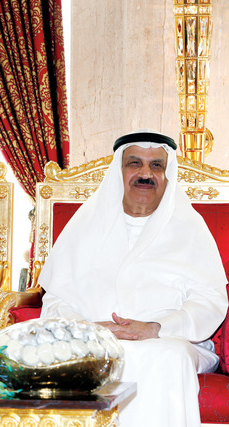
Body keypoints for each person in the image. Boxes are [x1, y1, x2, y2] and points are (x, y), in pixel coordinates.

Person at [38, 130, 228, 426]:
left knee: (166, 356)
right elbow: (56, 300)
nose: (145, 174)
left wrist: (156, 328)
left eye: (156, 165)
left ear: (167, 175)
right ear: (119, 171)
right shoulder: (85, 225)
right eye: (134, 163)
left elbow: (210, 301)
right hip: (93, 336)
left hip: (171, 339)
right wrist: (89, 329)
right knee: (87, 354)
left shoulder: (190, 226)